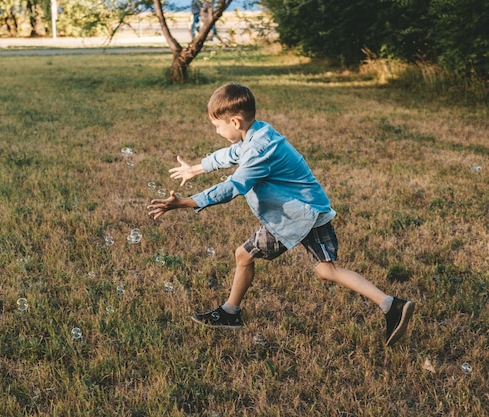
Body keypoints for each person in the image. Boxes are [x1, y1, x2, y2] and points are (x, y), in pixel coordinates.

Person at [147, 82, 415, 346]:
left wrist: (184, 203)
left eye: (218, 126)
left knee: (244, 255)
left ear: (236, 122)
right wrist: (196, 168)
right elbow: (231, 154)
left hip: (294, 216)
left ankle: (230, 313)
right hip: (314, 209)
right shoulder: (260, 132)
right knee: (326, 270)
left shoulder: (258, 149)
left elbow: (233, 187)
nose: (217, 131)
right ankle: (391, 304)